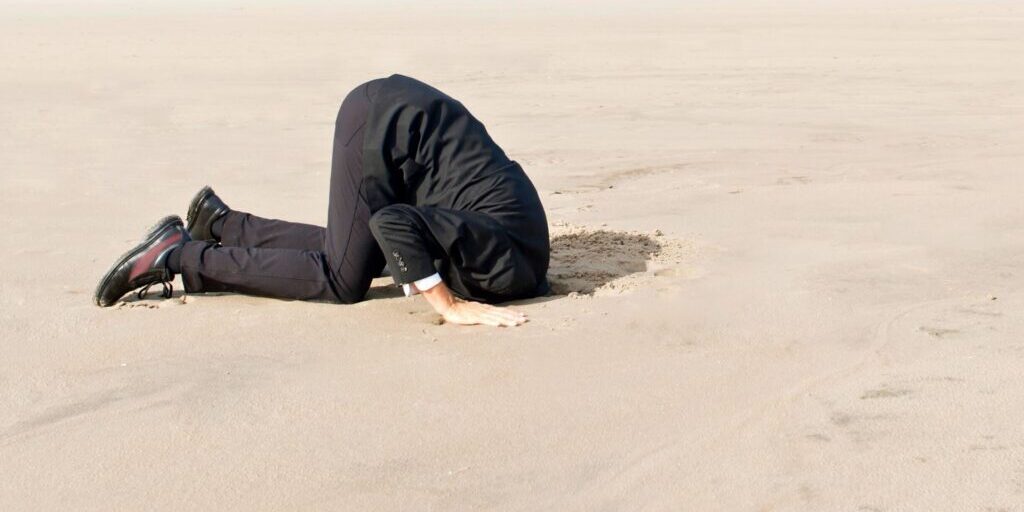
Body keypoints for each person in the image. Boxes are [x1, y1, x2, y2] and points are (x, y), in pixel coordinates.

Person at [94, 74, 550, 327]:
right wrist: (449, 304)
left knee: (365, 256)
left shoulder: (513, 251)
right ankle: (177, 257)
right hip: (382, 126)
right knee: (343, 279)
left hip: (401, 118)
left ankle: (220, 223)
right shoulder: (500, 261)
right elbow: (393, 221)